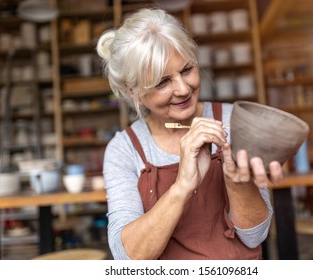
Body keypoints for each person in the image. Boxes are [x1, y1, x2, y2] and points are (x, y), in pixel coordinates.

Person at [96, 8, 283, 260]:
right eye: (162, 83)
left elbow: (255, 236)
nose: (183, 89)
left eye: (186, 70)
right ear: (134, 91)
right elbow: (128, 258)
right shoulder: (124, 150)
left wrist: (239, 185)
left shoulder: (235, 122)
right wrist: (183, 185)